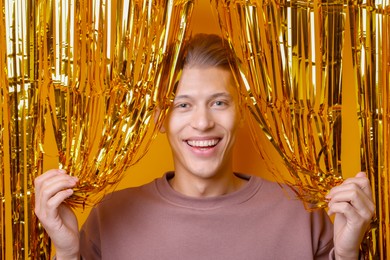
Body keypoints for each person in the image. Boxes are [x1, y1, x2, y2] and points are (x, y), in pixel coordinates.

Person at [34, 34, 375, 260]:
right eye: (183, 105)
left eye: (218, 103)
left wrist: (346, 255)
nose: (202, 122)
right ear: (160, 118)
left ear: (242, 112)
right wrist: (66, 252)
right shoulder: (109, 217)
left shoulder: (303, 215)